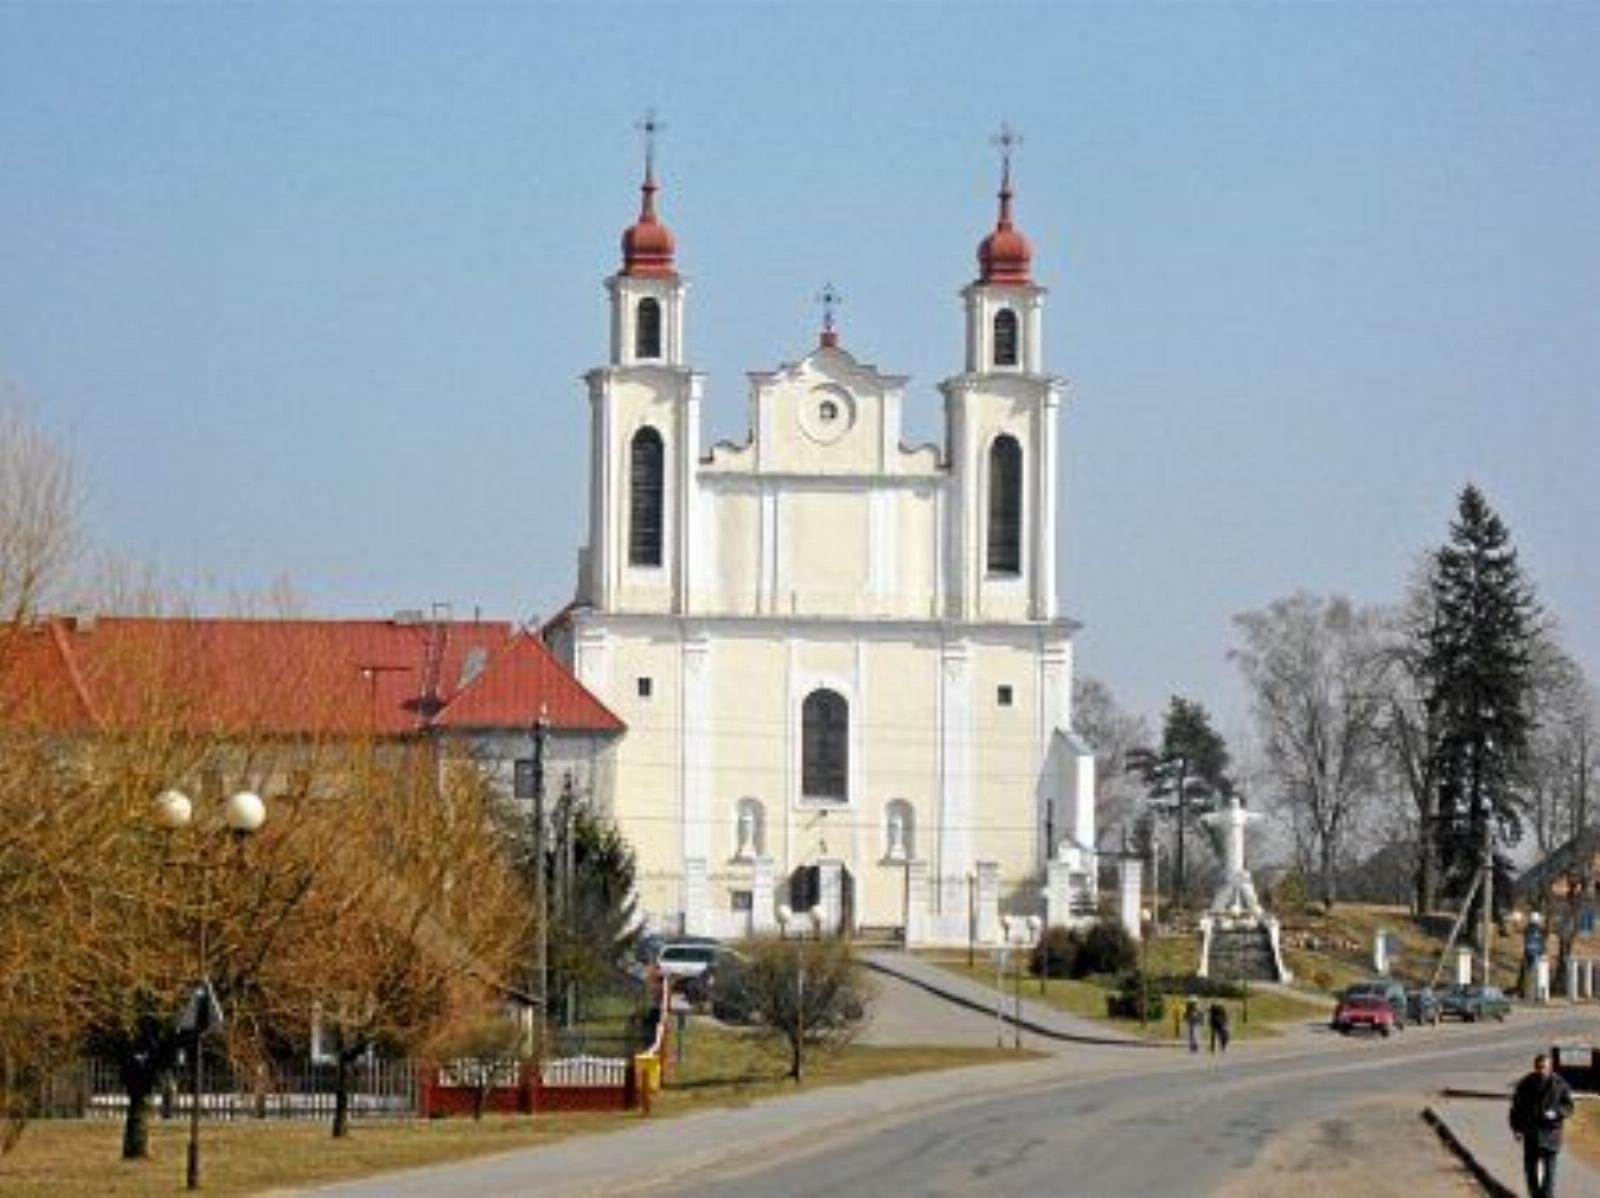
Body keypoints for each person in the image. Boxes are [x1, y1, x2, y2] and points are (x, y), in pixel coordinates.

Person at [1509, 1052, 1575, 1198]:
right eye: (1538, 1067)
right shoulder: (1525, 1083)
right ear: (1534, 1067)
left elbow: (1569, 1107)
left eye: (1544, 1067)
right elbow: (1516, 1108)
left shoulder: (1560, 1084)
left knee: (1549, 1172)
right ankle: (1535, 1195)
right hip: (1531, 1133)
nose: (1541, 1070)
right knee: (1530, 1169)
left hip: (1551, 1133)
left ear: (1550, 1068)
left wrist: (1557, 1113)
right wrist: (1517, 1129)